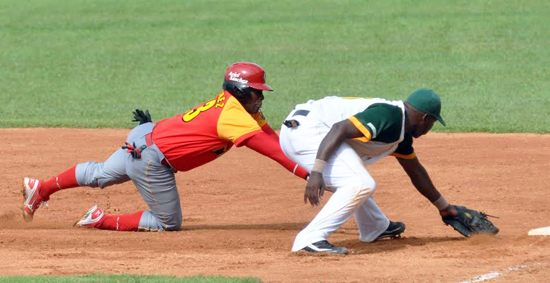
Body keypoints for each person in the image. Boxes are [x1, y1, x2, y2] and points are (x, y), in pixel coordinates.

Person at [22, 62, 309, 232]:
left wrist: (312, 161)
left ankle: (42, 188)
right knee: (167, 222)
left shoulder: (241, 110)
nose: (262, 96)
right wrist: (312, 175)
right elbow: (274, 153)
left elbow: (275, 141)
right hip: (152, 158)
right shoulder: (234, 118)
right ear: (242, 91)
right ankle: (99, 220)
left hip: (145, 135)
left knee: (99, 174)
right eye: (258, 91)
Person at [279, 88, 458, 254]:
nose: (429, 128)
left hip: (306, 130)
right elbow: (339, 128)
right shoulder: (390, 116)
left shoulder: (400, 133)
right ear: (425, 118)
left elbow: (416, 172)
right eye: (433, 122)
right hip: (307, 132)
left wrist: (445, 208)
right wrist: (317, 171)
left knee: (354, 174)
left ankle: (375, 226)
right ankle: (309, 239)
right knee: (359, 183)